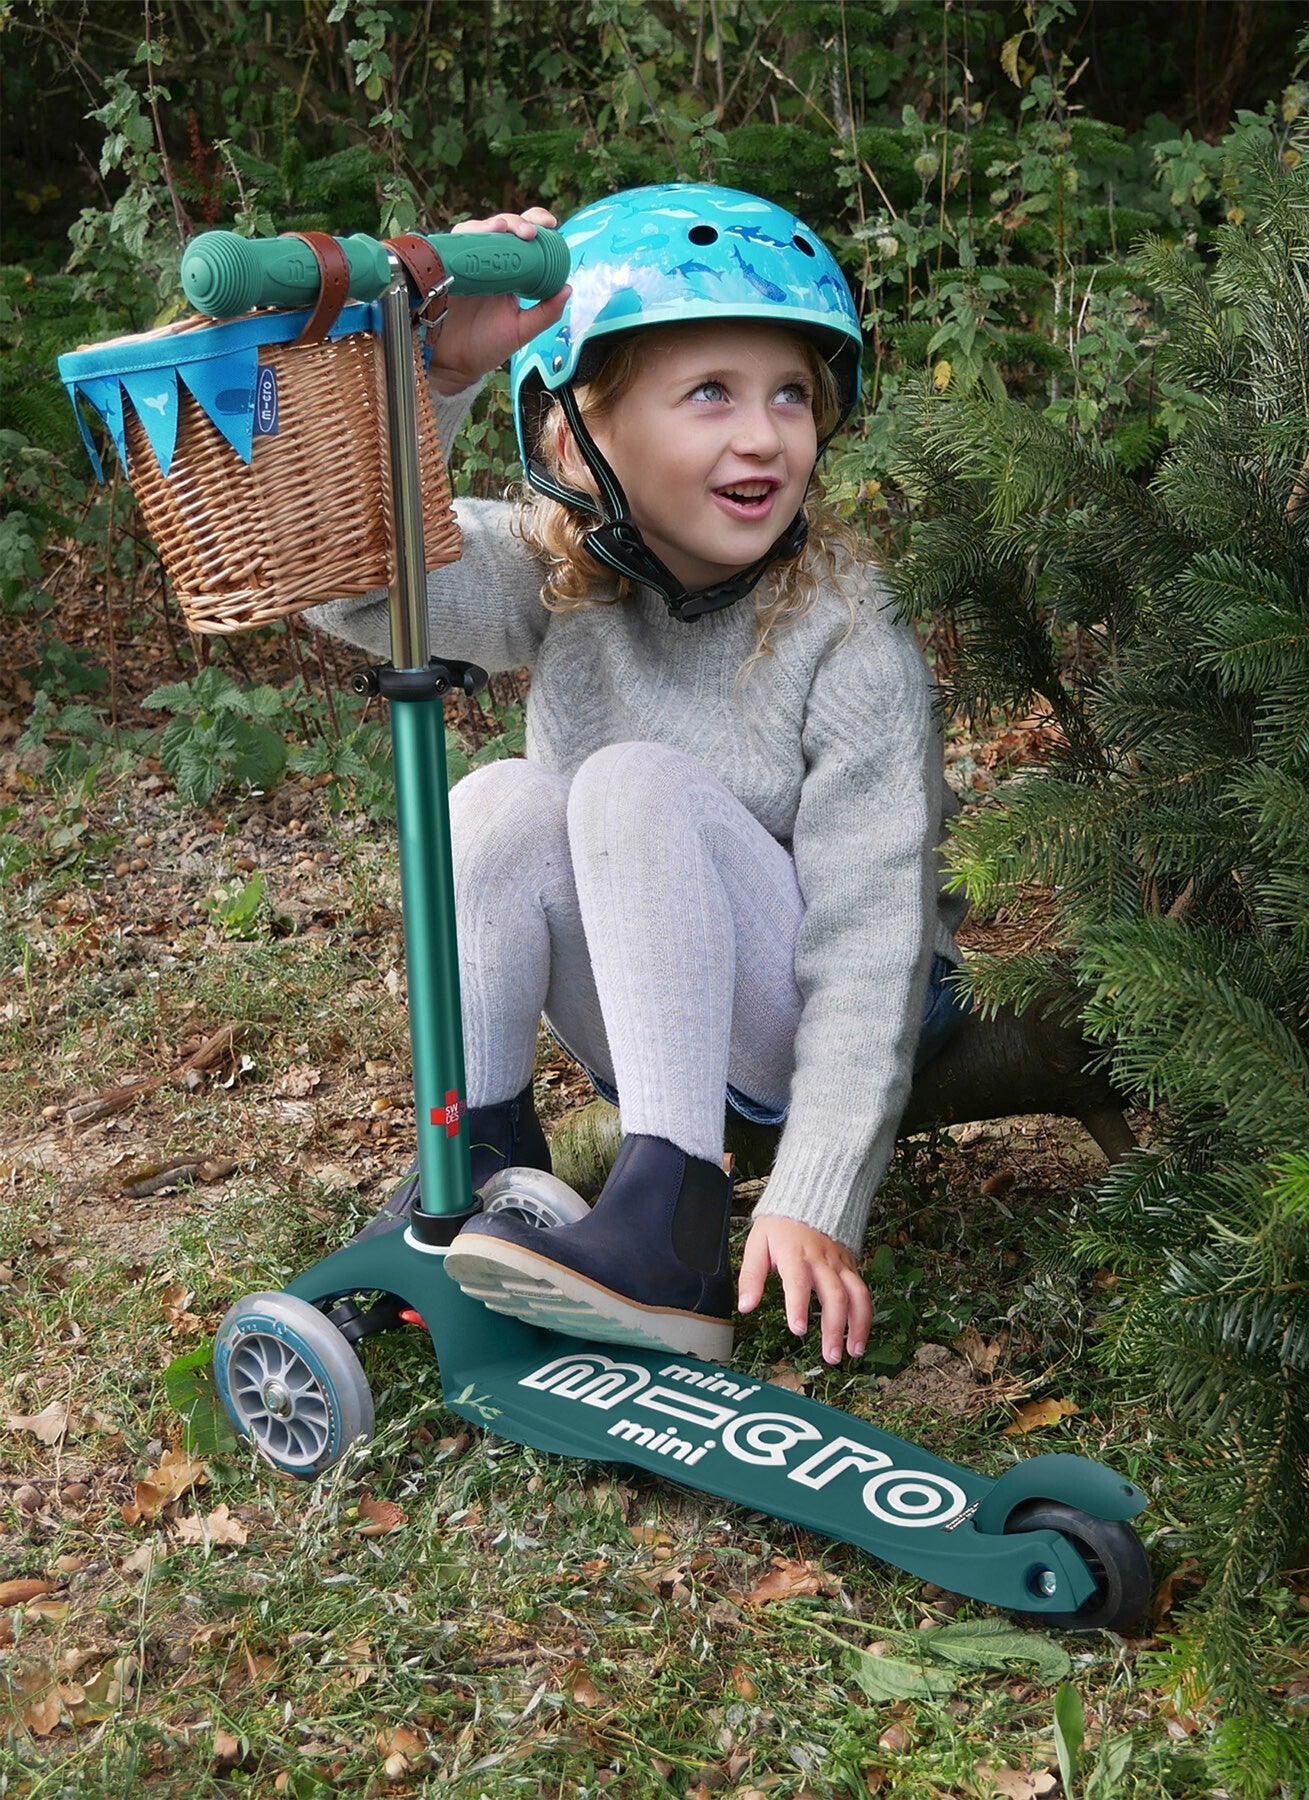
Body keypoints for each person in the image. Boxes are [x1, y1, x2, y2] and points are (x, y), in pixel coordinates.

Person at [308, 184, 967, 1369]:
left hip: (811, 1012)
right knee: (497, 801)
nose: (764, 435)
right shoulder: (558, 567)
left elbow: (874, 945)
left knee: (629, 783)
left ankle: (674, 1228)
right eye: (709, 393)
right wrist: (440, 375)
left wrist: (818, 1189)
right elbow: (358, 583)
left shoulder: (849, 635)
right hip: (660, 1002)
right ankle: (484, 1167)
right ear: (577, 436)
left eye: (791, 395)